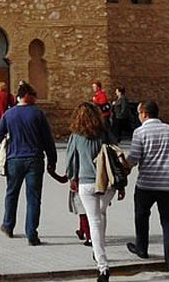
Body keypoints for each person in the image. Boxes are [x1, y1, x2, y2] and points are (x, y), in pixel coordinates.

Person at [125, 100, 169, 280]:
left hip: (146, 184)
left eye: (139, 113)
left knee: (141, 215)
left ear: (144, 114)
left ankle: (142, 248)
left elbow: (134, 158)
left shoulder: (140, 132)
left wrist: (123, 165)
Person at [63, 102, 122, 282]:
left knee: (94, 221)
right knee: (101, 215)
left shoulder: (76, 136)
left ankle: (102, 266)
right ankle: (98, 251)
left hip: (86, 183)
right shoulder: (104, 133)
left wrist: (72, 178)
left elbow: (70, 160)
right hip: (106, 183)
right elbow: (116, 154)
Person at [0, 82, 57, 245]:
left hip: (14, 159)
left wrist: (10, 140)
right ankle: (32, 234)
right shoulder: (38, 114)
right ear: (29, 96)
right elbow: (47, 140)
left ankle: (8, 225)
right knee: (34, 197)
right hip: (34, 160)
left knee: (11, 193)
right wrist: (52, 160)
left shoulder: (9, 114)